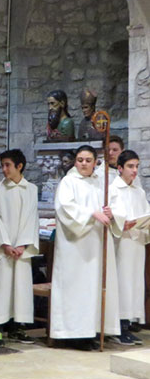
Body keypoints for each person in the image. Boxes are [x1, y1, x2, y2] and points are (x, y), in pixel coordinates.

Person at [50, 145, 120, 350]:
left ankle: (93, 330)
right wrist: (91, 213)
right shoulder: (68, 182)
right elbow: (65, 207)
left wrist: (109, 212)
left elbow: (112, 205)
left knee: (93, 287)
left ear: (95, 162)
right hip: (75, 246)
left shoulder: (101, 183)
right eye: (80, 159)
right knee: (77, 288)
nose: (83, 164)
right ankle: (73, 334)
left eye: (88, 160)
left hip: (96, 244)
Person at [0, 150, 39, 347]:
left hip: (21, 249)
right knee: (1, 288)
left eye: (8, 165)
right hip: (2, 248)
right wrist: (5, 243)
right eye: (3, 165)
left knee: (20, 289)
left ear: (19, 166)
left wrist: (23, 243)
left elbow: (32, 217)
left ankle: (18, 328)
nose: (4, 169)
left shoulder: (31, 189)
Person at [109, 150, 148, 345]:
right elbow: (110, 214)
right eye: (130, 166)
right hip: (122, 242)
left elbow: (146, 212)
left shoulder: (139, 192)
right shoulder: (113, 190)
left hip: (137, 242)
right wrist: (120, 222)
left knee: (134, 284)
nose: (134, 171)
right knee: (122, 283)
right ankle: (119, 325)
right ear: (120, 168)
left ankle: (129, 324)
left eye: (136, 167)